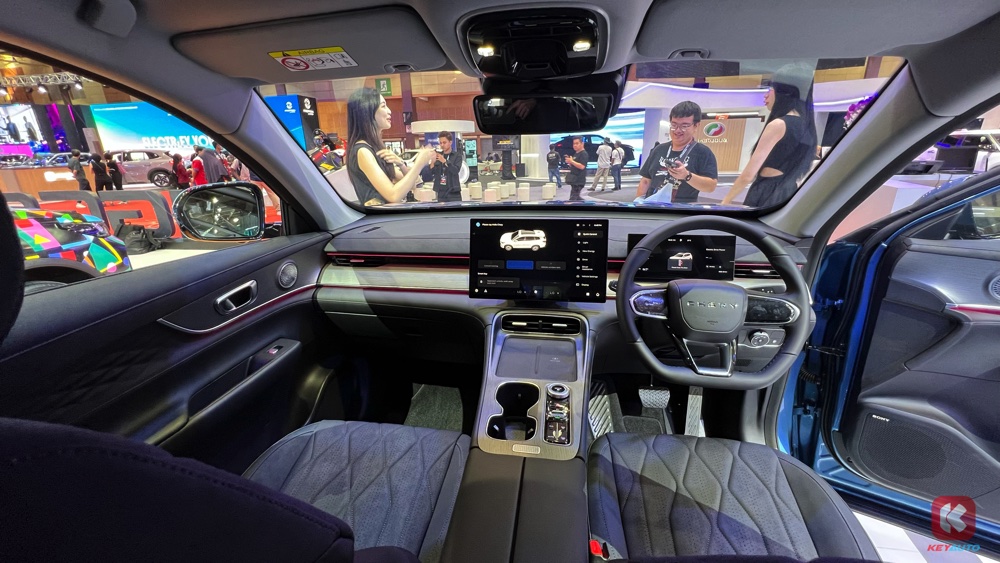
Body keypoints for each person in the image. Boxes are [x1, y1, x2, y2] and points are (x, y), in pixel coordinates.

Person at [721, 65, 818, 207]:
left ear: (784, 93)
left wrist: (726, 201)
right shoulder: (806, 126)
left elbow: (748, 174)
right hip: (789, 193)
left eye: (770, 89)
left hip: (767, 193)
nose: (765, 95)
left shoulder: (778, 125)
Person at [346, 87, 433, 206]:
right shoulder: (362, 151)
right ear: (367, 112)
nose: (389, 111)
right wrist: (419, 163)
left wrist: (401, 163)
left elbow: (412, 184)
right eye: (383, 106)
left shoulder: (375, 149)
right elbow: (393, 195)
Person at [635, 101, 718, 204]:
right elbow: (645, 180)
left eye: (684, 126)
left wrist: (687, 176)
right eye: (674, 125)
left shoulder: (703, 152)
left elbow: (710, 186)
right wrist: (638, 204)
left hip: (681, 210)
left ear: (696, 126)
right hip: (653, 208)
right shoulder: (659, 149)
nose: (677, 130)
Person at [430, 131, 464, 202]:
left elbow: (455, 170)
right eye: (440, 143)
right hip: (441, 191)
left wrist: (445, 161)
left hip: (453, 190)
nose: (442, 145)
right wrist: (432, 161)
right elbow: (433, 172)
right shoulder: (438, 156)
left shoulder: (457, 156)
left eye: (444, 142)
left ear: (450, 142)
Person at [563, 136, 589, 201]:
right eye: (574, 143)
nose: (575, 145)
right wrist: (570, 162)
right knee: (576, 198)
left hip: (579, 180)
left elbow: (582, 166)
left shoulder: (583, 154)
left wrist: (572, 161)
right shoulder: (576, 153)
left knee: (572, 199)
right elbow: (575, 165)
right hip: (574, 180)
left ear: (582, 144)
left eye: (577, 143)